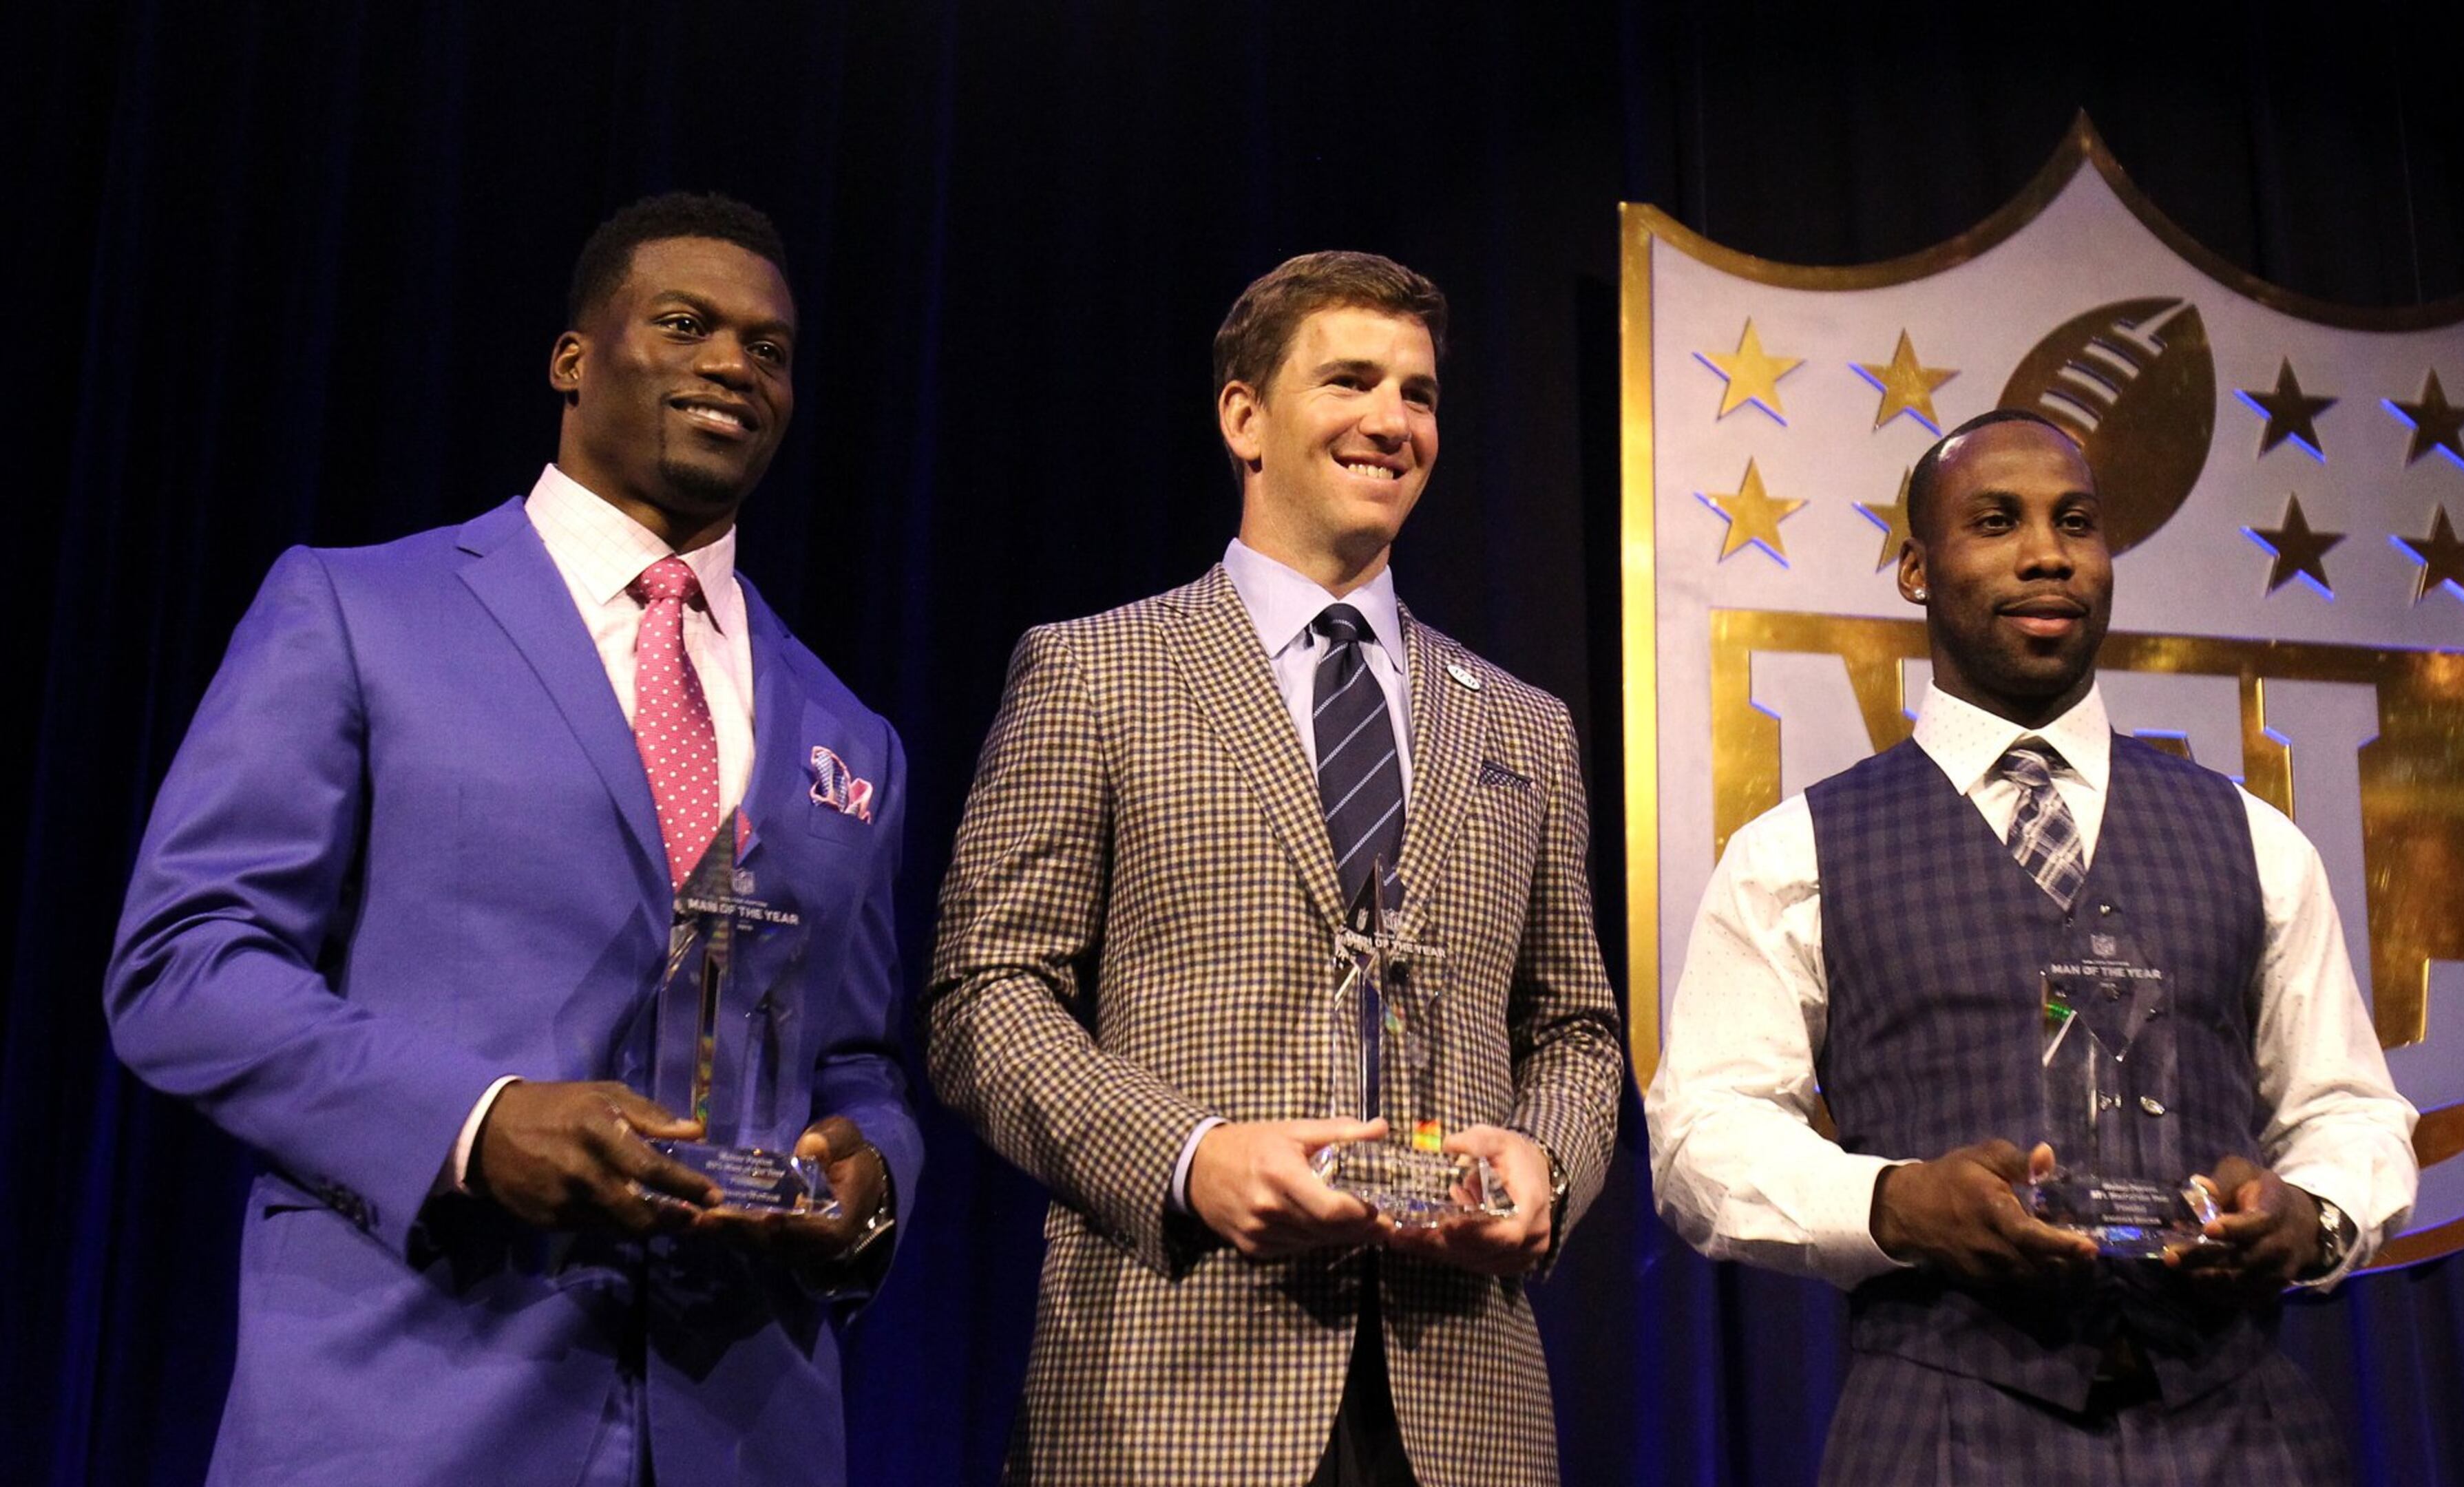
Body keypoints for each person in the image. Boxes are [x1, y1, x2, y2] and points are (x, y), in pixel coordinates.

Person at [103, 191, 920, 1486]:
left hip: (741, 1425)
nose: (732, 365)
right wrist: (477, 1124)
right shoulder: (358, 611)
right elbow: (186, 965)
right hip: (407, 1400)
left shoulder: (849, 732)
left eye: (768, 350)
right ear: (573, 360)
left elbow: (863, 1061)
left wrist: (867, 1185)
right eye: (685, 324)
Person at [927, 251, 1625, 1487]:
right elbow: (985, 1001)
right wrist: (1192, 1158)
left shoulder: (1524, 724)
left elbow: (1574, 1024)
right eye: (1349, 380)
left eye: (1417, 393)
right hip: (1169, 1386)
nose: (1391, 421)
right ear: (1243, 418)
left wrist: (1549, 1166)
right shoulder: (1097, 673)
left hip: (1463, 1404)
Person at [1646, 408, 2419, 1484]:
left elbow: (2348, 1109)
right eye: (1997, 521)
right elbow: (1703, 1141)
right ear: (1917, 569)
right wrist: (1895, 1203)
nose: (2048, 553)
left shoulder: (2254, 838)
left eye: (2078, 523)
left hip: (2239, 1426)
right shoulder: (1797, 851)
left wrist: (2317, 1217)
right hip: (1940, 1428)